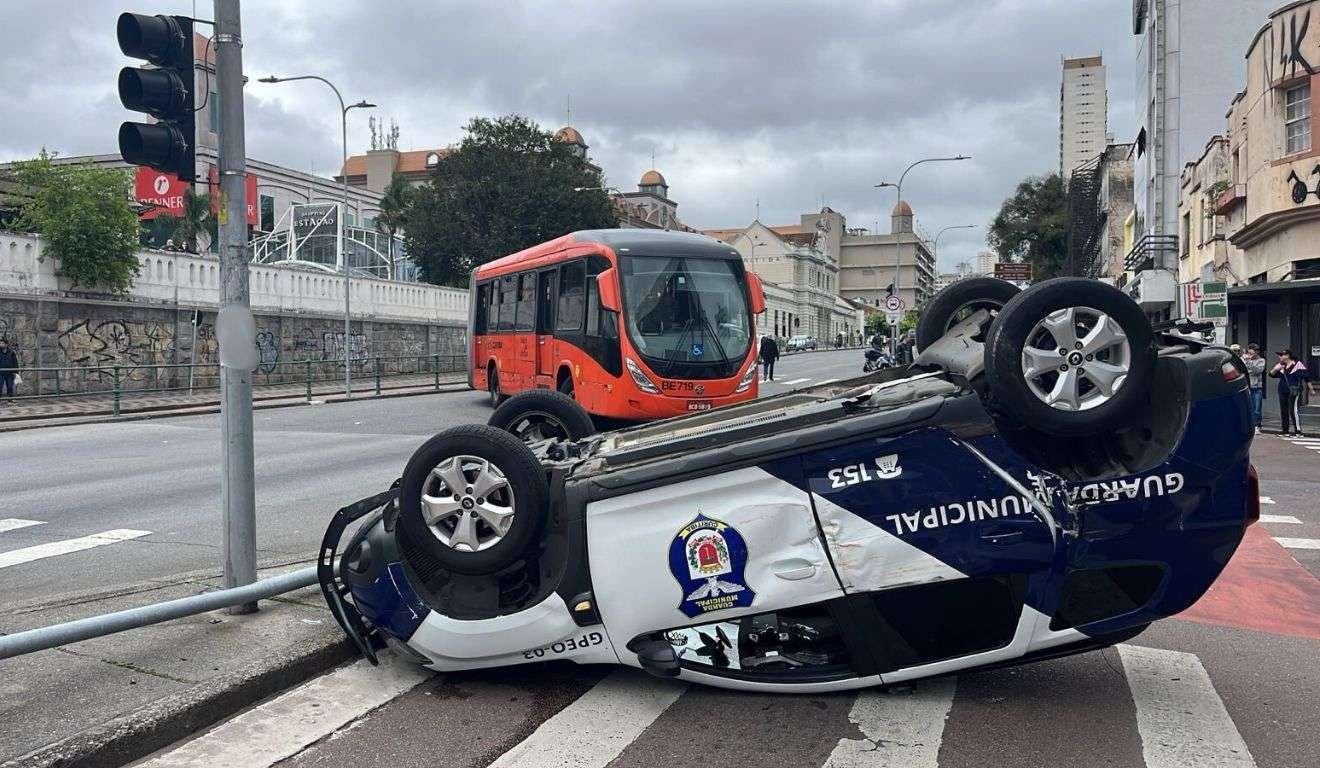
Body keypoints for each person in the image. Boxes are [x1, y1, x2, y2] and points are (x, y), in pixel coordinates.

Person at [1269, 349, 1310, 436]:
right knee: (1284, 411)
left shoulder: (1297, 364)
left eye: (1281, 355)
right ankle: (1285, 431)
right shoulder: (1281, 366)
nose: (1279, 357)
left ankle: (1298, 431)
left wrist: (1311, 389)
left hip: (1293, 390)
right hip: (1282, 390)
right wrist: (1275, 369)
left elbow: (1306, 376)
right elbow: (1271, 375)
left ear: (1287, 356)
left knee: (1293, 410)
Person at [1242, 343, 1266, 434]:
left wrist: (1249, 362)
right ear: (1248, 350)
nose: (1255, 352)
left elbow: (1258, 370)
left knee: (1257, 408)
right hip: (1246, 386)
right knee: (1247, 407)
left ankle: (1257, 425)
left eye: (1256, 350)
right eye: (1253, 350)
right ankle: (1249, 426)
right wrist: (1247, 362)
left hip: (1257, 387)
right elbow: (1242, 370)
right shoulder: (1242, 359)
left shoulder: (1261, 360)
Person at [0, 338, 17, 404]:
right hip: (1, 373)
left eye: (2, 343)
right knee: (0, 386)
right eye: (0, 343)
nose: (1, 344)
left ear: (6, 344)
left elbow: (15, 362)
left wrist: (15, 372)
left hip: (9, 373)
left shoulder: (11, 352)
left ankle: (10, 399)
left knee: (10, 386)